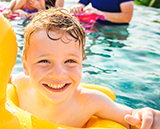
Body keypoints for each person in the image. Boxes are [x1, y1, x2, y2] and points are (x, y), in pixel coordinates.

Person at [10, 8, 160, 129]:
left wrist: (148, 115)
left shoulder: (91, 101)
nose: (57, 74)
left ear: (81, 62)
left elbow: (131, 117)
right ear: (26, 66)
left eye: (69, 61)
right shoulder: (22, 84)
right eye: (44, 61)